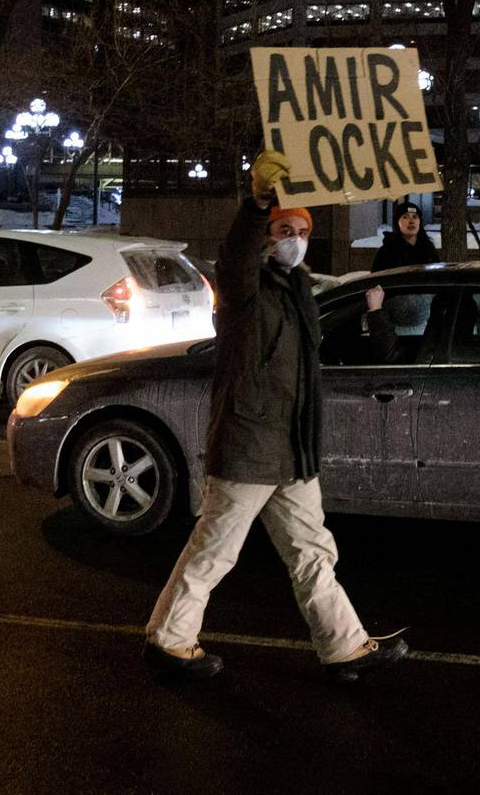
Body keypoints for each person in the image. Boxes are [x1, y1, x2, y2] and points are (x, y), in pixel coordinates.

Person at [143, 150, 408, 685]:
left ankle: (345, 647)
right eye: (282, 228)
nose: (293, 236)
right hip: (248, 446)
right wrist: (255, 203)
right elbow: (234, 256)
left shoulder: (300, 294)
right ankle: (168, 641)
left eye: (300, 229)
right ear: (267, 236)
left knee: (313, 552)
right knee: (214, 551)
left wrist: (372, 316)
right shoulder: (245, 291)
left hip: (292, 452)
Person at [371, 198, 439, 272]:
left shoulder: (428, 248)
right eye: (405, 217)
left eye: (415, 217)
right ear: (397, 222)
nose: (411, 221)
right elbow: (375, 280)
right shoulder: (387, 251)